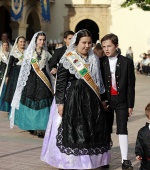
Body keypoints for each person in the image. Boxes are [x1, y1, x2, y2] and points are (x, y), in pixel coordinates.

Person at [41, 29, 111, 169]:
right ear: (76, 43)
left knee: (89, 129)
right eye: (84, 42)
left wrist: (103, 100)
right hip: (73, 99)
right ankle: (71, 162)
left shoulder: (94, 58)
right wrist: (60, 103)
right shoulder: (68, 58)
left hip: (91, 101)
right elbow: (60, 83)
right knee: (73, 130)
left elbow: (98, 82)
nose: (87, 46)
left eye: (89, 43)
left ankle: (91, 161)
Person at [100, 33, 135, 170]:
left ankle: (125, 160)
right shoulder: (100, 61)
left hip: (121, 101)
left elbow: (131, 85)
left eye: (109, 46)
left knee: (122, 129)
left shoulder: (127, 62)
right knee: (106, 130)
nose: (106, 49)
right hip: (106, 101)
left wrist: (130, 104)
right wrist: (102, 100)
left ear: (116, 46)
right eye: (104, 47)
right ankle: (105, 159)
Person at [10, 31, 53, 138]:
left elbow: (48, 68)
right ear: (36, 40)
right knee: (31, 100)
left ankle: (41, 128)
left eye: (43, 40)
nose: (42, 42)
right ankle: (31, 125)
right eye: (40, 40)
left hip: (43, 81)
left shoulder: (47, 54)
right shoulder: (29, 53)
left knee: (43, 101)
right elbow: (24, 69)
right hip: (31, 80)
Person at [4, 36, 26, 105]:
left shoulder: (28, 52)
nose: (22, 43)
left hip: (24, 73)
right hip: (15, 73)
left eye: (23, 42)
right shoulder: (14, 53)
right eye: (21, 42)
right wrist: (7, 76)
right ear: (17, 43)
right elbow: (9, 65)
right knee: (14, 90)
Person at [0, 41, 10, 112]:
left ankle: (6, 107)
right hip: (2, 73)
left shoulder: (10, 54)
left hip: (8, 73)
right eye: (4, 45)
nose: (5, 46)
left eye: (6, 45)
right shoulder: (0, 54)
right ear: (2, 46)